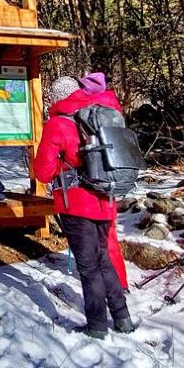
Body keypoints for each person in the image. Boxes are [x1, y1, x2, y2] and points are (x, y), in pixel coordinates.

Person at [35, 75, 135, 339]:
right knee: (104, 260)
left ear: (56, 98)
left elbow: (43, 172)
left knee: (88, 266)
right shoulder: (101, 115)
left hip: (77, 205)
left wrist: (62, 168)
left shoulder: (58, 124)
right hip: (106, 198)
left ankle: (97, 325)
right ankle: (122, 318)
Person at [77, 72, 129, 291]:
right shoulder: (113, 110)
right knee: (110, 236)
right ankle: (121, 282)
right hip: (114, 177)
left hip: (96, 179)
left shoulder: (88, 112)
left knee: (101, 240)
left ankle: (114, 286)